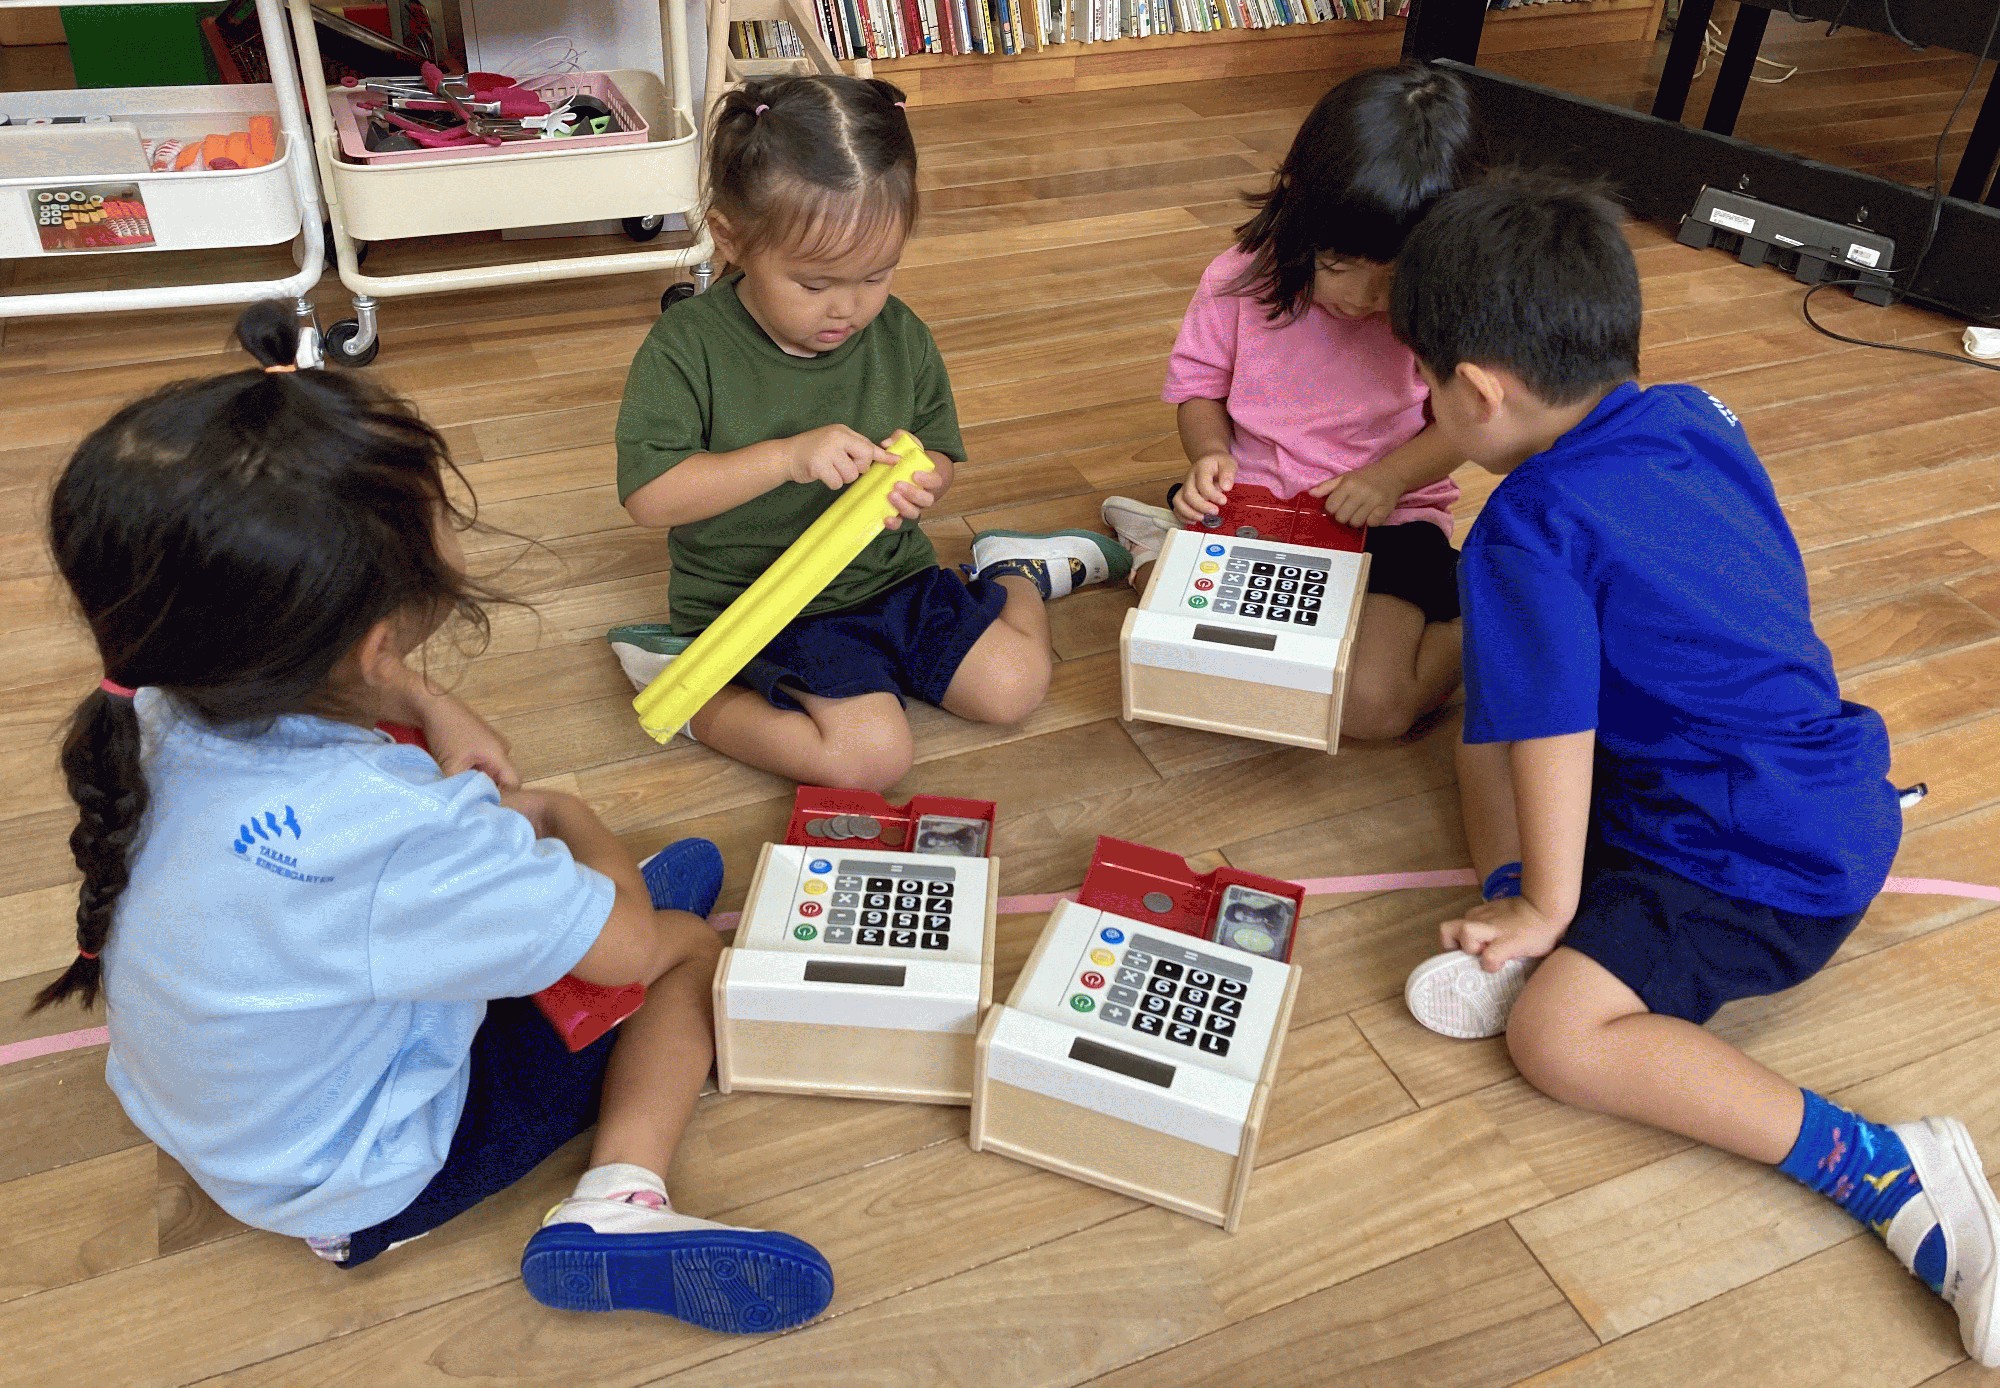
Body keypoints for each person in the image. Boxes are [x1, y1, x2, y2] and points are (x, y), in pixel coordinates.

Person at [35, 303, 833, 1335]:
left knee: (663, 874)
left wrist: (421, 696)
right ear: (376, 639)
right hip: (358, 1181)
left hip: (222, 1113)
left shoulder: (149, 705)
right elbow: (626, 949)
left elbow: (355, 792)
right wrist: (567, 812)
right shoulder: (400, 822)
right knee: (679, 941)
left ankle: (563, 932)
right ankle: (617, 1202)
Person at [1393, 174, 1999, 1366]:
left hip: (1760, 862)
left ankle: (1888, 1170)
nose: (1421, 404)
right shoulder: (1691, 414)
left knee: (1557, 1039)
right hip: (1811, 780)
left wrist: (1542, 900)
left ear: (1477, 391)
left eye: (1422, 384)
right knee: (1486, 730)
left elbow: (1547, 732)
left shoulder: (1524, 527)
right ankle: (1528, 918)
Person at [609, 74, 1128, 789]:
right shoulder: (686, 347)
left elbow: (938, 450)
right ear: (731, 238)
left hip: (893, 577)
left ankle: (1011, 569)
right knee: (870, 758)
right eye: (815, 284)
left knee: (1012, 689)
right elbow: (651, 498)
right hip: (763, 603)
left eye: (877, 275)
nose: (848, 309)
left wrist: (927, 480)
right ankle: (684, 681)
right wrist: (787, 458)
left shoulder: (900, 334)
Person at [1100, 63, 1478, 740]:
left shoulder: (1446, 308)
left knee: (1371, 708)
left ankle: (1488, 619)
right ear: (1299, 207)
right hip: (1257, 508)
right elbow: (1199, 390)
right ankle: (1157, 546)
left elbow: (1466, 427)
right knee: (1189, 667)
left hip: (1388, 524)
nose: (1362, 299)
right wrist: (1210, 454)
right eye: (1337, 266)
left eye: (1393, 279)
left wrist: (1389, 478)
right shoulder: (1239, 280)